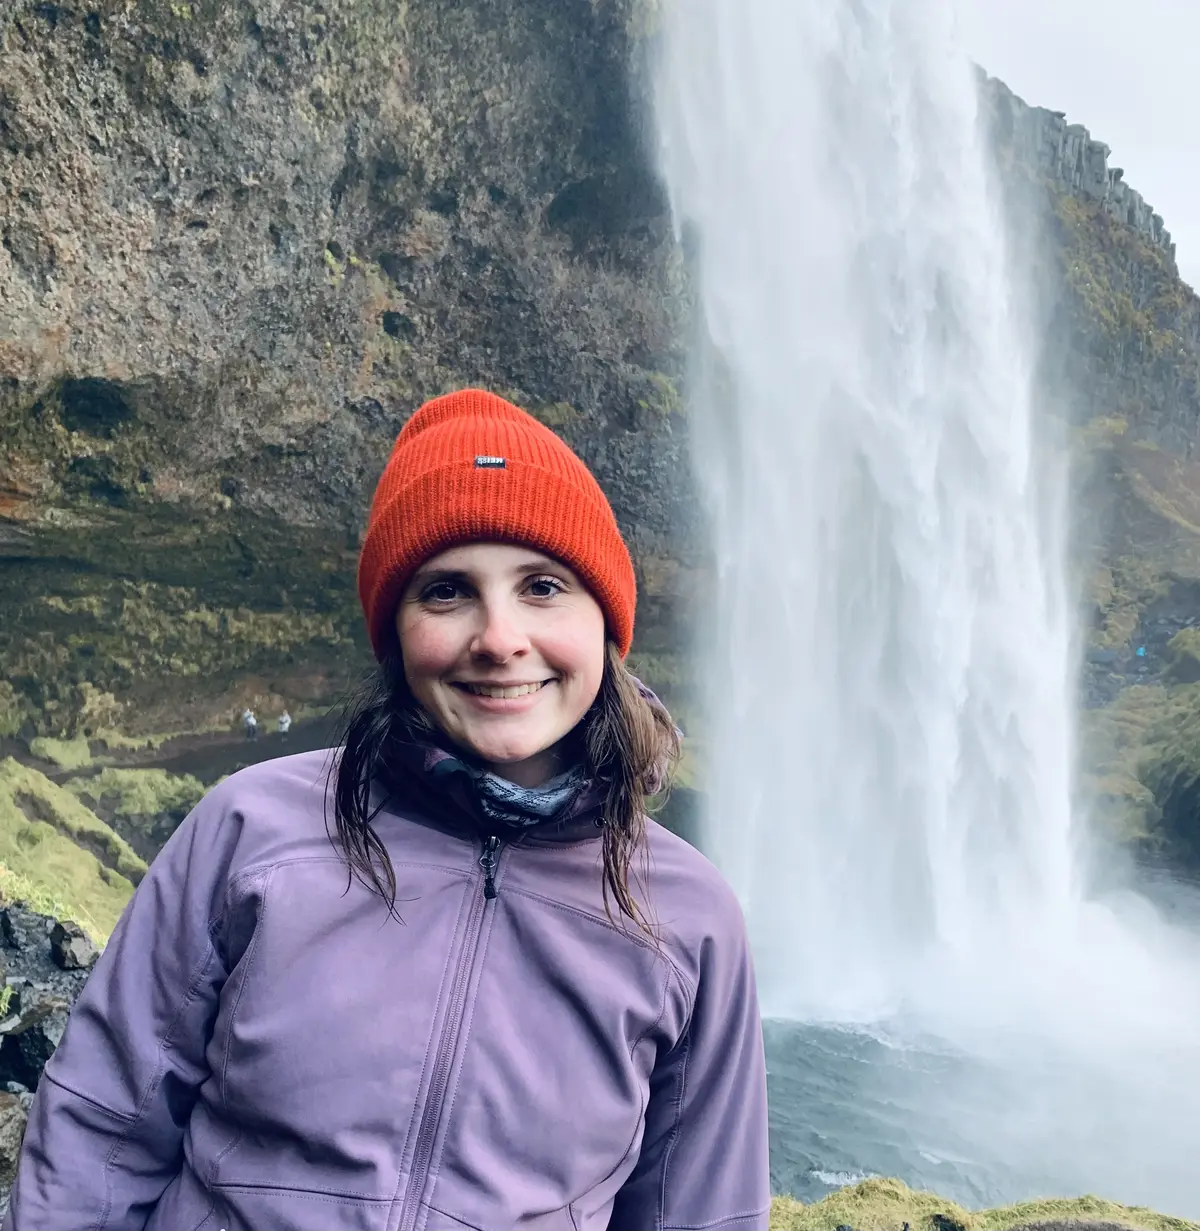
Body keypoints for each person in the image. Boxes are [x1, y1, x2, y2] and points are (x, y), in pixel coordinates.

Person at [4, 389, 770, 1231]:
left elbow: (700, 1212)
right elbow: (100, 1134)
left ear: (608, 622)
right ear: (395, 629)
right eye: (446, 592)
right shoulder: (248, 832)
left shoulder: (689, 920)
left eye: (543, 586)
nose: (500, 637)